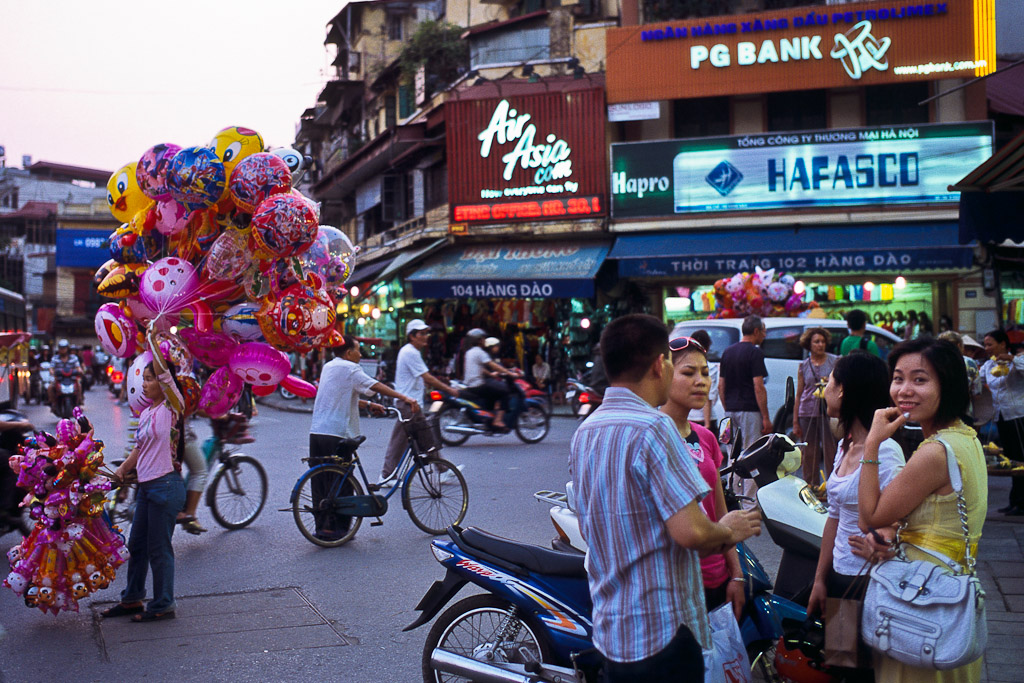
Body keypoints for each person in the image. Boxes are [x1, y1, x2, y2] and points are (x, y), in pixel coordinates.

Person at [569, 314, 762, 681]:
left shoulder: (586, 431)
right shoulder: (654, 428)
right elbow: (692, 533)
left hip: (613, 631)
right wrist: (729, 529)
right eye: (677, 365)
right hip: (661, 632)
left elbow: (588, 524)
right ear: (661, 364)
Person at [858, 337, 987, 682]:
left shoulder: (935, 451)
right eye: (898, 378)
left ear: (948, 385)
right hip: (947, 590)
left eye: (920, 379)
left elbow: (869, 516)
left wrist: (872, 443)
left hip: (918, 603)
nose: (904, 390)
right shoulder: (966, 437)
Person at [807, 352, 905, 680]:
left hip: (868, 582)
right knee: (840, 666)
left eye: (830, 382)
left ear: (844, 391)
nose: (825, 389)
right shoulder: (845, 444)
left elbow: (900, 518)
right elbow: (833, 518)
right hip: (840, 577)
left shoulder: (886, 452)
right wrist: (821, 579)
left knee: (863, 673)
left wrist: (885, 539)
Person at [660, 335, 746, 618]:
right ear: (663, 375)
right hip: (674, 584)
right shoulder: (650, 438)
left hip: (716, 577)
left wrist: (736, 574)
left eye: (705, 373)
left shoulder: (707, 438)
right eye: (688, 373)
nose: (701, 381)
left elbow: (720, 511)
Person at [104, 333, 187, 622]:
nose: (146, 383)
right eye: (145, 379)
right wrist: (121, 471)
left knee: (158, 549)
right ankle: (132, 599)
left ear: (164, 383)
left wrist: (151, 339)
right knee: (136, 545)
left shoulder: (172, 408)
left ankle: (164, 604)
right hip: (146, 488)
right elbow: (138, 449)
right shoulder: (146, 413)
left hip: (166, 486)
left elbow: (166, 375)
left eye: (150, 379)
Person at [308, 335, 418, 539]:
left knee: (321, 482)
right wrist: (404, 397)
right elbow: (375, 385)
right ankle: (338, 529)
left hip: (318, 432)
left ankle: (323, 528)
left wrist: (368, 405)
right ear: (349, 353)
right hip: (337, 433)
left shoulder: (329, 367)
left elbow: (339, 396)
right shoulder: (351, 369)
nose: (360, 353)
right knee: (340, 481)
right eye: (358, 349)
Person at [378, 320, 456, 486]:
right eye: (421, 333)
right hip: (408, 404)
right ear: (412, 336)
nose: (425, 337)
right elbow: (426, 376)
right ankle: (386, 476)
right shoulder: (410, 352)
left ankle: (442, 470)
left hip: (411, 403)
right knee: (404, 441)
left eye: (426, 333)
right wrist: (449, 390)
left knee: (425, 440)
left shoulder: (410, 352)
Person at [981, 329, 1024, 515]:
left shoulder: (1017, 361)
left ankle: (1022, 503)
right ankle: (1015, 500)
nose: (986, 348)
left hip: (1018, 415)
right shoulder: (988, 365)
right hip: (1002, 417)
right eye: (985, 344)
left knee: (1022, 459)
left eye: (990, 344)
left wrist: (1012, 359)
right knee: (1011, 460)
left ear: (1003, 344)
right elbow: (977, 378)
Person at [793, 327, 839, 484]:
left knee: (830, 450)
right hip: (807, 411)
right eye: (816, 342)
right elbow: (799, 394)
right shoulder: (803, 366)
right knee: (809, 452)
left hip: (829, 411)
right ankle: (811, 486)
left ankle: (832, 485)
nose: (820, 345)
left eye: (823, 341)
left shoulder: (835, 361)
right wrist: (795, 421)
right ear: (809, 344)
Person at [719, 315, 771, 450]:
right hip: (750, 411)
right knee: (751, 451)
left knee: (732, 452)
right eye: (763, 331)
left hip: (730, 410)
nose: (765, 335)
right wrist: (765, 417)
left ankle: (732, 473)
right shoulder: (755, 352)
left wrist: (728, 407)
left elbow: (721, 386)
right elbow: (758, 386)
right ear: (756, 331)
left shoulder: (727, 352)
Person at [462, 328, 513, 430]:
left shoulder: (469, 352)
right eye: (483, 338)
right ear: (479, 340)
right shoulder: (480, 352)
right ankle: (498, 421)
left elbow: (480, 368)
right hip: (477, 385)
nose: (485, 340)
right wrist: (509, 373)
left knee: (493, 392)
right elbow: (493, 365)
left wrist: (491, 375)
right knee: (505, 391)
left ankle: (488, 417)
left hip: (469, 384)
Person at [687, 330, 723, 434]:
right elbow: (708, 397)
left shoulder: (682, 367)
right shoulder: (710, 368)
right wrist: (707, 425)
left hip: (688, 419)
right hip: (706, 419)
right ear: (707, 347)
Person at [48, 339, 83, 408]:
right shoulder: (55, 358)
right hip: (59, 379)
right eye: (61, 348)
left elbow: (78, 367)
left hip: (71, 379)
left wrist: (80, 371)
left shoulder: (74, 358)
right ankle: (53, 403)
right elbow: (51, 368)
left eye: (64, 348)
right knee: (50, 388)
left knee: (79, 385)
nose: (63, 350)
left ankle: (79, 401)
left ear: (67, 349)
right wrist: (52, 372)